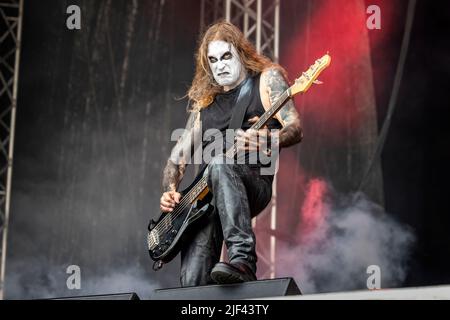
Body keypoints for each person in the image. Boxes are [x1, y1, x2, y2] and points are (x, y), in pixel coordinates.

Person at [159, 21, 303, 287]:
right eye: (213, 60)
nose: (220, 65)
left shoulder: (266, 80)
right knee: (192, 282)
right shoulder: (205, 104)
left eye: (226, 56)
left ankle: (243, 261)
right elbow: (175, 160)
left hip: (252, 183)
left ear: (240, 53)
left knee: (220, 163)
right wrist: (170, 189)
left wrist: (268, 139)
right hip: (204, 201)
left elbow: (295, 128)